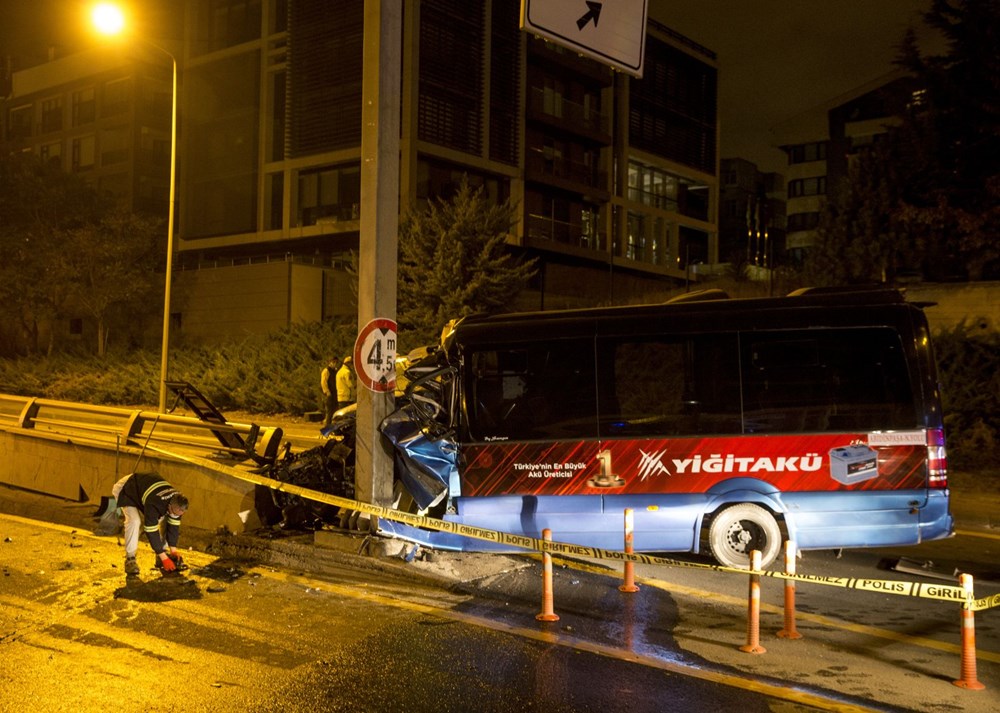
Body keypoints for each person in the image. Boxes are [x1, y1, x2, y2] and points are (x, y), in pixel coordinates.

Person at [111, 471, 188, 575]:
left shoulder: (178, 503)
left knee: (165, 518)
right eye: (174, 512)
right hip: (127, 488)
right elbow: (151, 530)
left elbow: (173, 525)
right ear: (170, 506)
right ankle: (130, 559)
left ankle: (163, 554)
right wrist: (163, 557)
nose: (176, 515)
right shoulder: (155, 503)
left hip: (144, 487)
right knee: (134, 521)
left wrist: (173, 550)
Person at [320, 356, 341, 427]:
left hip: (335, 394)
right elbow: (323, 382)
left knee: (334, 411)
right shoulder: (326, 371)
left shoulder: (335, 371)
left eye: (336, 362)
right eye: (333, 362)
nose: (335, 364)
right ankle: (327, 427)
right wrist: (327, 391)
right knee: (329, 412)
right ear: (330, 362)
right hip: (329, 395)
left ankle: (332, 427)